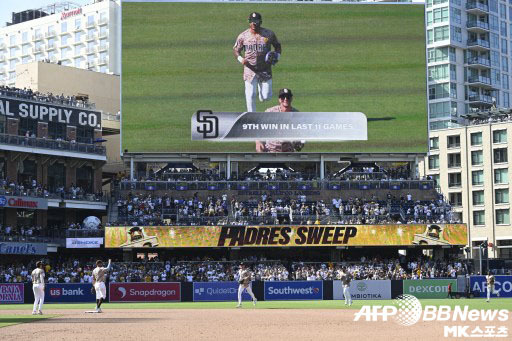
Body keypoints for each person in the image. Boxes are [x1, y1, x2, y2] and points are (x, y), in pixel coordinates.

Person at [233, 12, 281, 113]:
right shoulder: (243, 36)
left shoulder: (269, 34)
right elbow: (236, 50)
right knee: (250, 95)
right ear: (249, 22)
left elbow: (277, 46)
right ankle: (252, 117)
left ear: (260, 22)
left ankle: (262, 91)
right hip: (249, 69)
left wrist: (277, 56)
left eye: (256, 22)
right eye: (251, 22)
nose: (254, 24)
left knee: (265, 97)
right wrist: (241, 59)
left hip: (265, 69)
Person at [256, 88, 305, 152]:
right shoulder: (270, 112)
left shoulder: (297, 114)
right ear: (279, 99)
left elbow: (302, 134)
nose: (285, 99)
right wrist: (258, 142)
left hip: (289, 153)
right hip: (270, 151)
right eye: (282, 97)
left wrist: (300, 143)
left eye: (288, 97)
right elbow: (257, 128)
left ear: (291, 99)